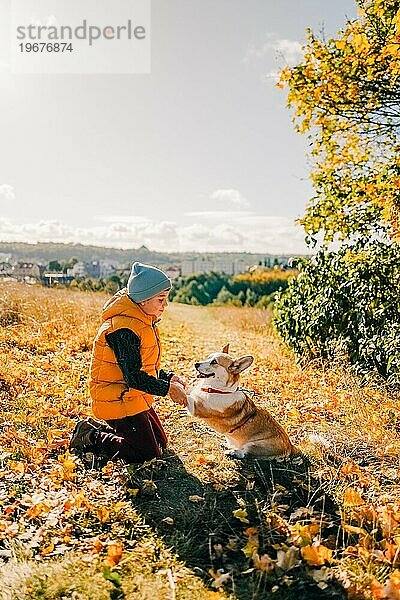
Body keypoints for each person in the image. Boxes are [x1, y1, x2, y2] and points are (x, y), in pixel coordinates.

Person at [69, 261, 187, 465]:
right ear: (142, 300)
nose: (165, 305)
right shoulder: (123, 329)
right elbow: (133, 377)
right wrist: (168, 389)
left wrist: (168, 377)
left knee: (160, 442)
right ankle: (91, 435)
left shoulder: (141, 320)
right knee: (146, 453)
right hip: (115, 397)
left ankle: (104, 431)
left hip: (131, 396)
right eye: (161, 299)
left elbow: (144, 367)